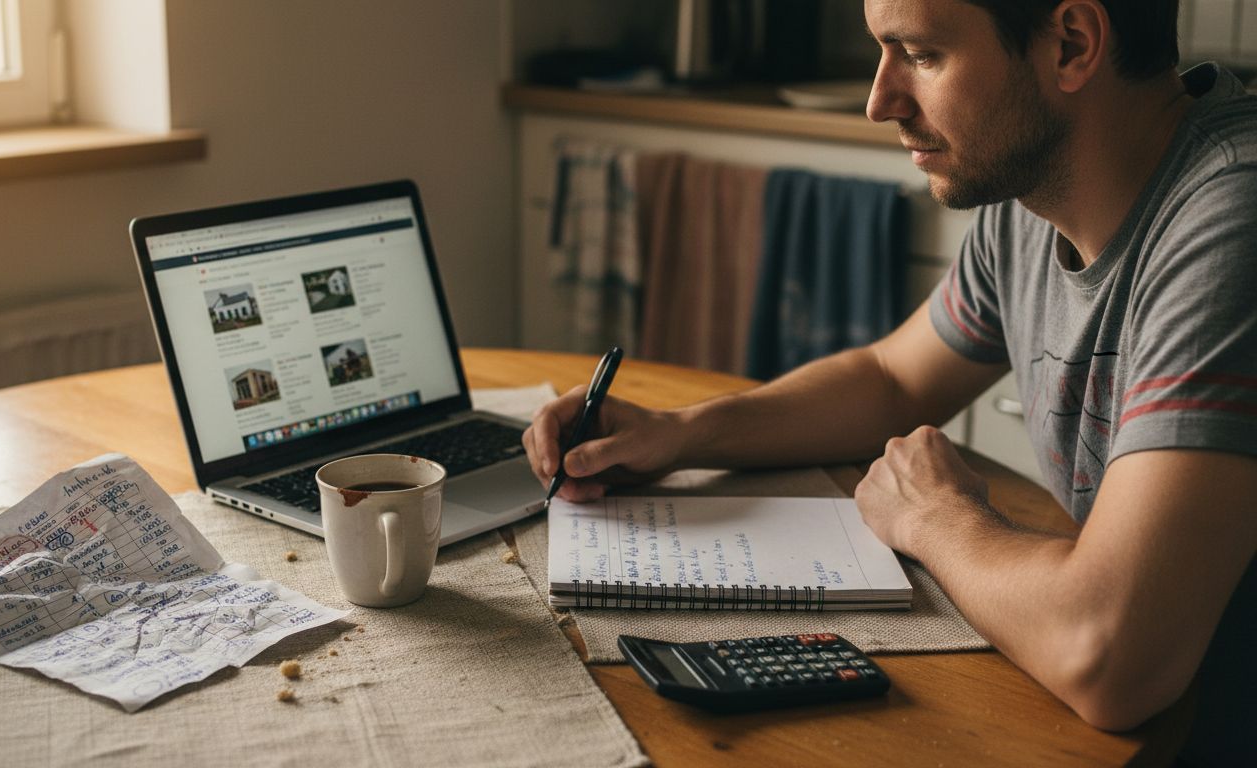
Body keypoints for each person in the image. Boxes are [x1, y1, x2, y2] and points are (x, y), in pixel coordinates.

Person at [522, 1, 1256, 763]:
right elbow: (893, 378)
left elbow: (1111, 656)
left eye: (922, 55)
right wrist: (681, 434)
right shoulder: (1036, 198)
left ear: (1071, 44)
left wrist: (936, 518)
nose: (881, 101)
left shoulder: (1231, 219)